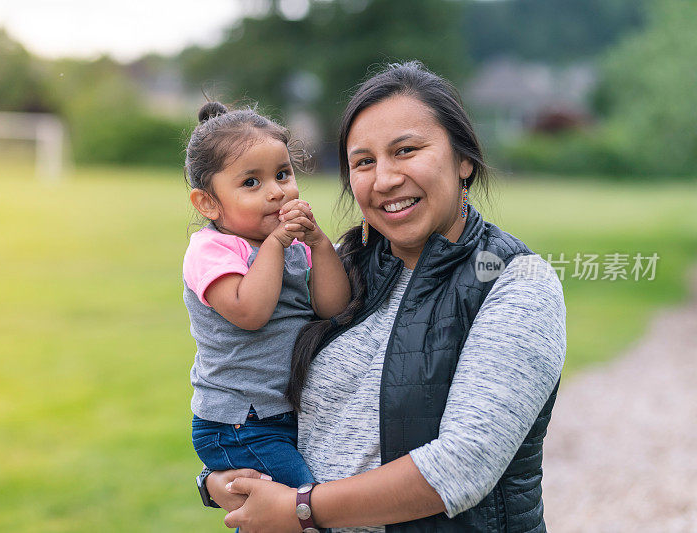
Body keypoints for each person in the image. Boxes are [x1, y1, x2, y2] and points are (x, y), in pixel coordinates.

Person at [201, 61, 566, 532]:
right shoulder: (336, 267)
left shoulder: (514, 282)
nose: (384, 179)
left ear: (464, 160)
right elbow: (245, 382)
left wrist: (300, 508)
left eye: (406, 150)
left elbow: (461, 466)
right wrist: (215, 479)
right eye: (363, 161)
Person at [183, 102, 352, 490]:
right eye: (251, 183)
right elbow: (250, 311)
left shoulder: (293, 245)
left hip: (282, 414)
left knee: (274, 518)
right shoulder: (212, 250)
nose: (277, 192)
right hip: (239, 421)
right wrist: (277, 242)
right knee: (301, 503)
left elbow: (333, 308)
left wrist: (319, 243)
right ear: (208, 202)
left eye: (282, 174)